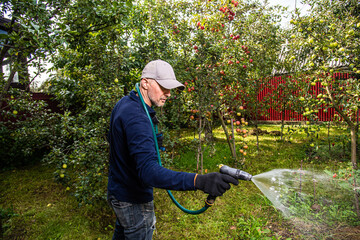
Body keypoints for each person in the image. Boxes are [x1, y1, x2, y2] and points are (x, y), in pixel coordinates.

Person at [107, 59, 239, 240]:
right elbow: (149, 173)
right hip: (133, 200)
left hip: (119, 192)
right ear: (145, 82)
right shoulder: (137, 117)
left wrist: (149, 142)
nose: (168, 94)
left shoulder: (125, 103)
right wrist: (199, 181)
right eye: (163, 87)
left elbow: (117, 142)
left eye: (170, 88)